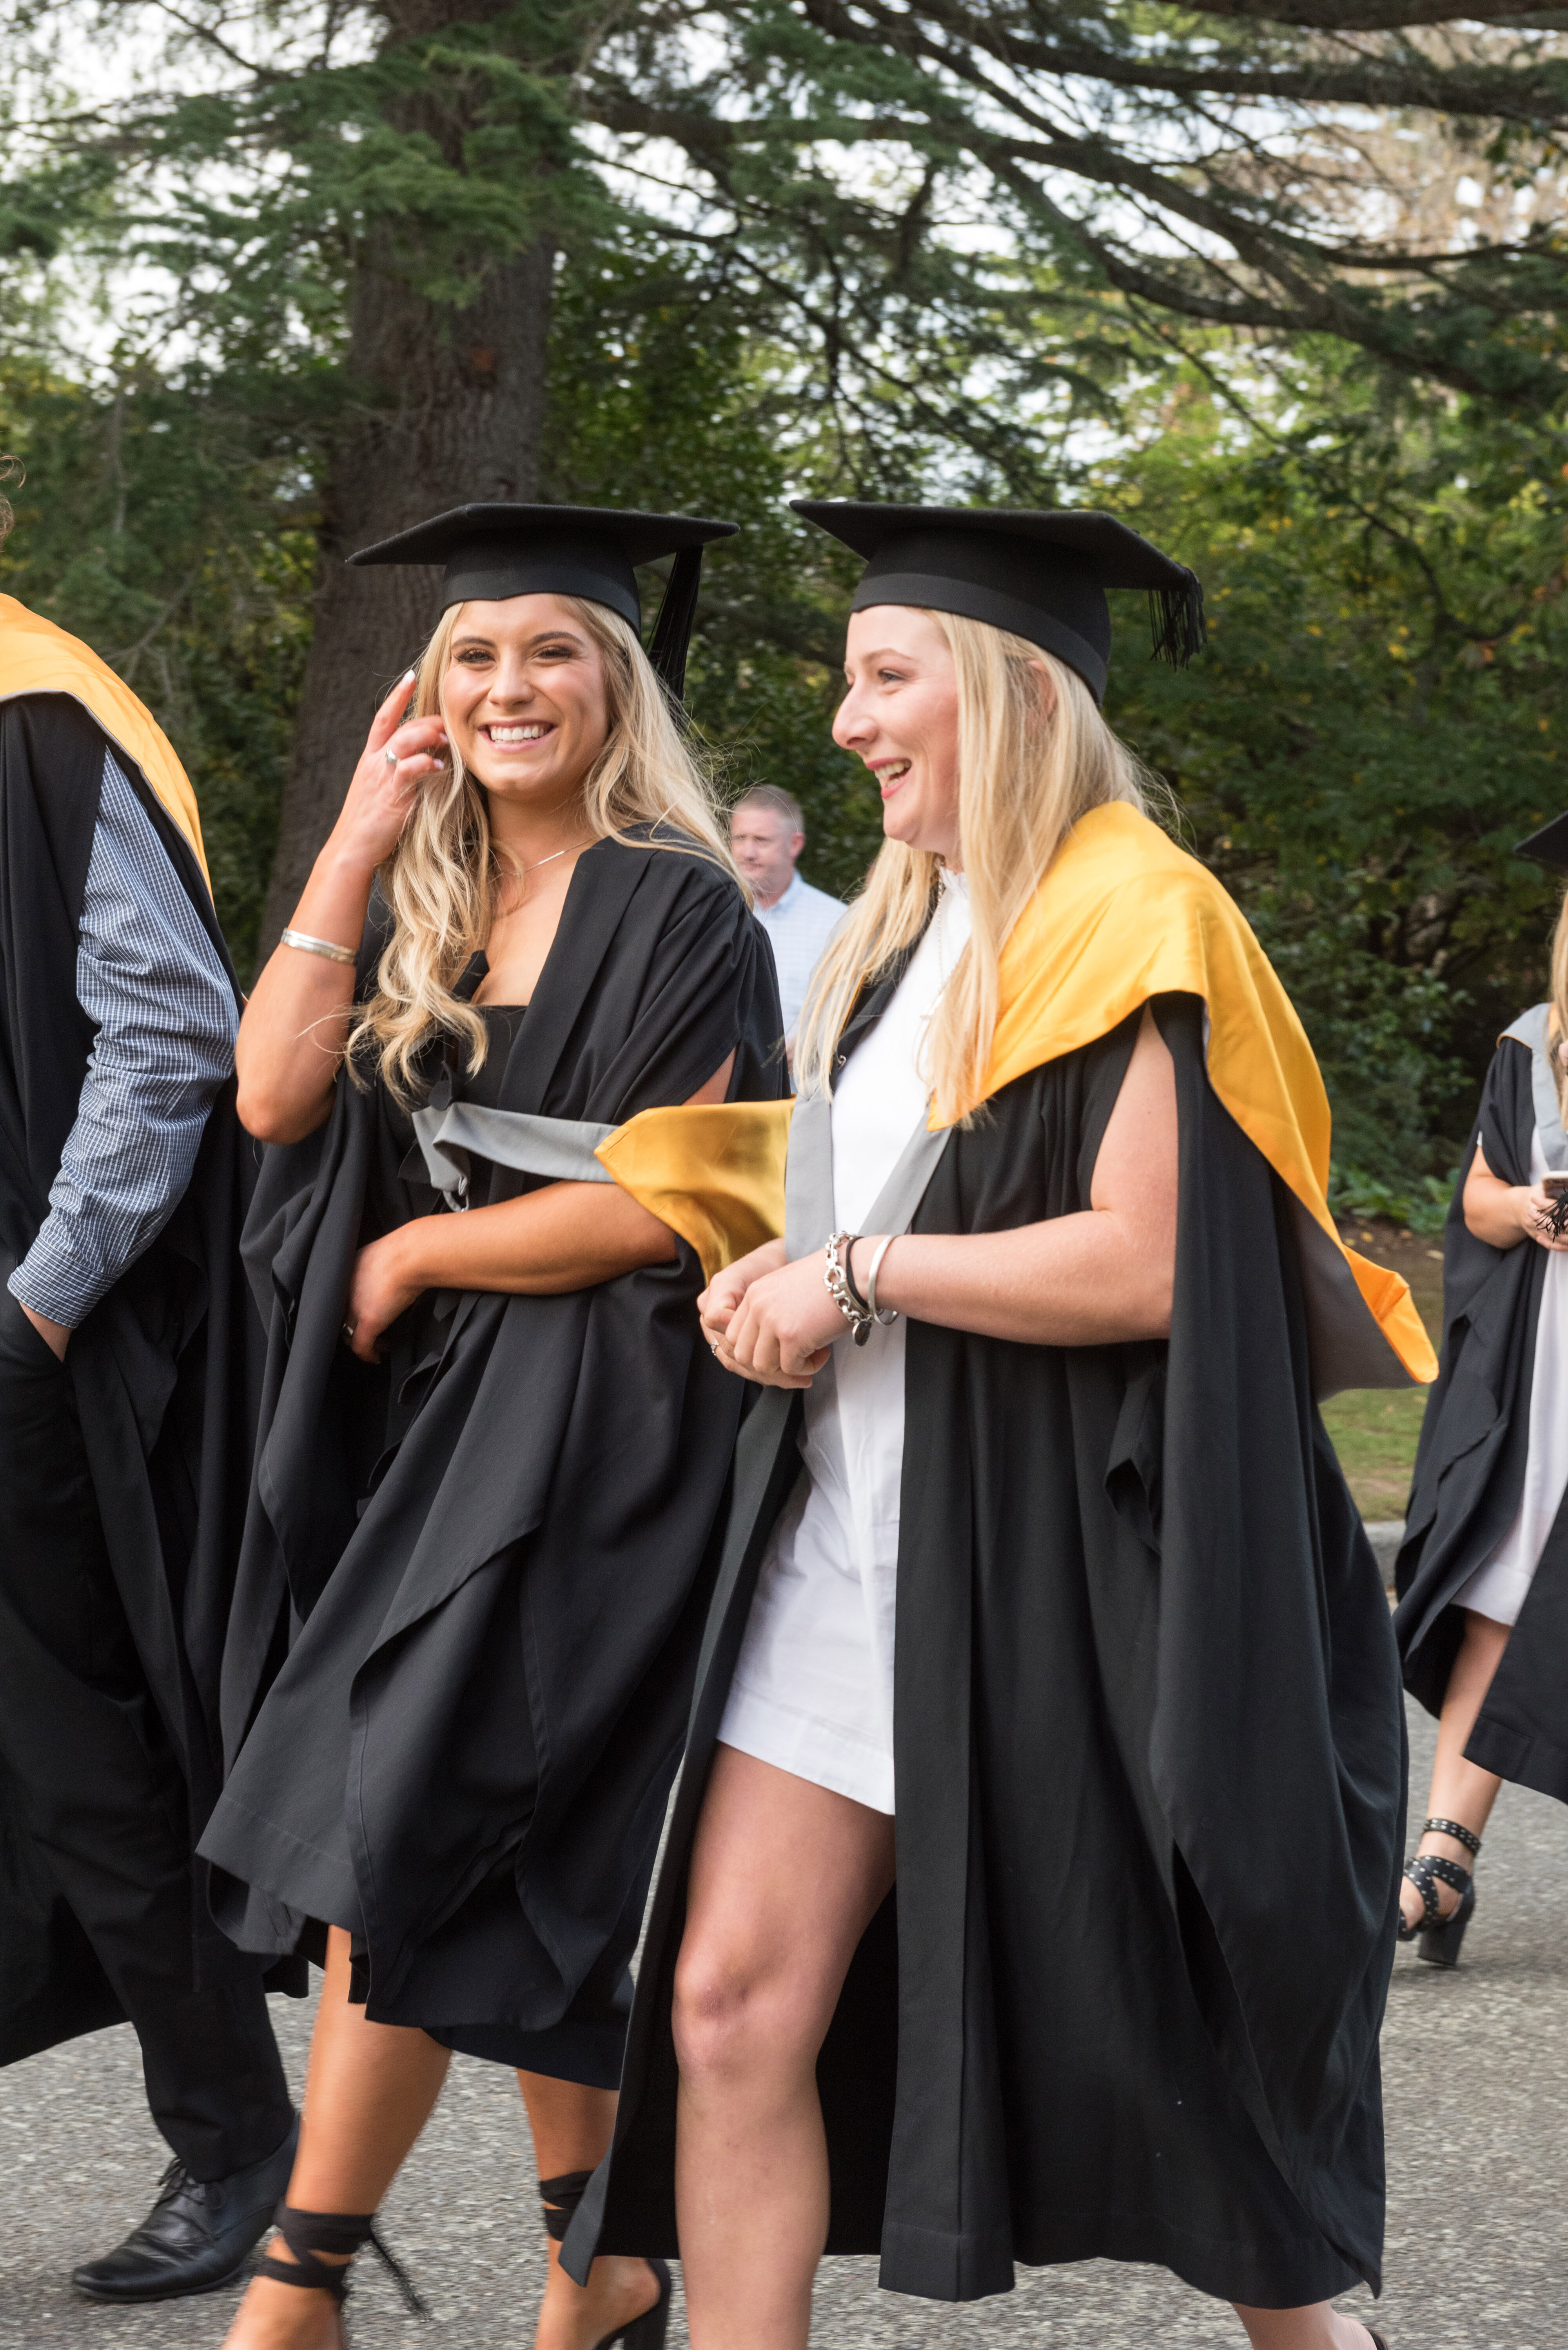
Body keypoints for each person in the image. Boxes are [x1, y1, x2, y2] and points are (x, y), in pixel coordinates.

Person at [564, 502, 1439, 2350]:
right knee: (725, 2005)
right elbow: (868, 1216)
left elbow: (1143, 1264)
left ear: (1007, 690)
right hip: (852, 1543)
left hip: (1053, 1557)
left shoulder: (1133, 913)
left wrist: (859, 1275)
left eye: (885, 678)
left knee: (1180, 2050)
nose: (845, 720)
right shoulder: (898, 938)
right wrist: (775, 1282)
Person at [196, 502, 788, 2350]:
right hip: (448, 1416)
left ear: (614, 683)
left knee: (400, 1810)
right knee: (493, 1846)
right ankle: (592, 2263)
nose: (510, 683)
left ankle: (293, 2290)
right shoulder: (426, 886)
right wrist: (358, 841)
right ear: (427, 689)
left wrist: (412, 1262)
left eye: (552, 650)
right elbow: (274, 1098)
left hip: (608, 1411)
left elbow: (668, 1202)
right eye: (473, 654)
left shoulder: (676, 897)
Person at [0, 472, 298, 2300]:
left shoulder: (42, 711)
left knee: (70, 1747)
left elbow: (172, 1024)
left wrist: (36, 1304)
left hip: (27, 1338)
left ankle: (237, 2136)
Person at [1394, 808, 1568, 1966]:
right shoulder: (1531, 1042)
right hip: (1544, 1360)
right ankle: (1439, 1861)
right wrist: (1529, 1207)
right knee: (1501, 1592)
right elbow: (1476, 1198)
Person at [728, 785, 843, 1058]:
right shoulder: (710, 915)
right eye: (740, 838)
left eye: (761, 840)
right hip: (718, 1095)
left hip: (800, 1094)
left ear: (795, 844)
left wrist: (807, 1046)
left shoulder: (837, 923)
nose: (748, 852)